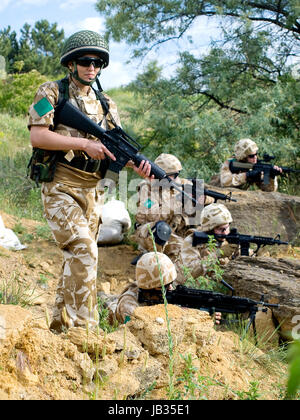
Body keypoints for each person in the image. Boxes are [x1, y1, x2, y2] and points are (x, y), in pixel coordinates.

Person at [28, 30, 152, 333]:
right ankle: (86, 334)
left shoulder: (106, 104)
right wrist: (84, 145)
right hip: (60, 184)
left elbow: (115, 148)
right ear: (71, 63)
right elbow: (37, 135)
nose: (92, 67)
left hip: (93, 190)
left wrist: (138, 165)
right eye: (85, 60)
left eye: (98, 62)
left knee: (77, 260)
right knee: (84, 250)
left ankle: (59, 329)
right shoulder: (51, 93)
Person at [132, 153, 214, 268]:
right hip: (155, 233)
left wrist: (202, 199)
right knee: (167, 236)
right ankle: (153, 258)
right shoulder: (146, 187)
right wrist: (177, 201)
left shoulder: (184, 184)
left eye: (176, 175)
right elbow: (151, 216)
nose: (174, 179)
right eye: (170, 176)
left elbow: (210, 197)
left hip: (181, 232)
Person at [104, 251, 221, 325]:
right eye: (165, 286)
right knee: (107, 302)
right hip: (115, 310)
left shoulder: (158, 293)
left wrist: (201, 316)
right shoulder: (128, 306)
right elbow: (140, 328)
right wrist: (186, 316)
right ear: (150, 288)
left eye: (171, 283)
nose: (171, 288)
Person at [180, 203, 240, 281]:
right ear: (209, 229)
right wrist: (218, 253)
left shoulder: (229, 239)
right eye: (221, 229)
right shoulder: (192, 241)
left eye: (227, 228)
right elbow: (190, 273)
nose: (225, 233)